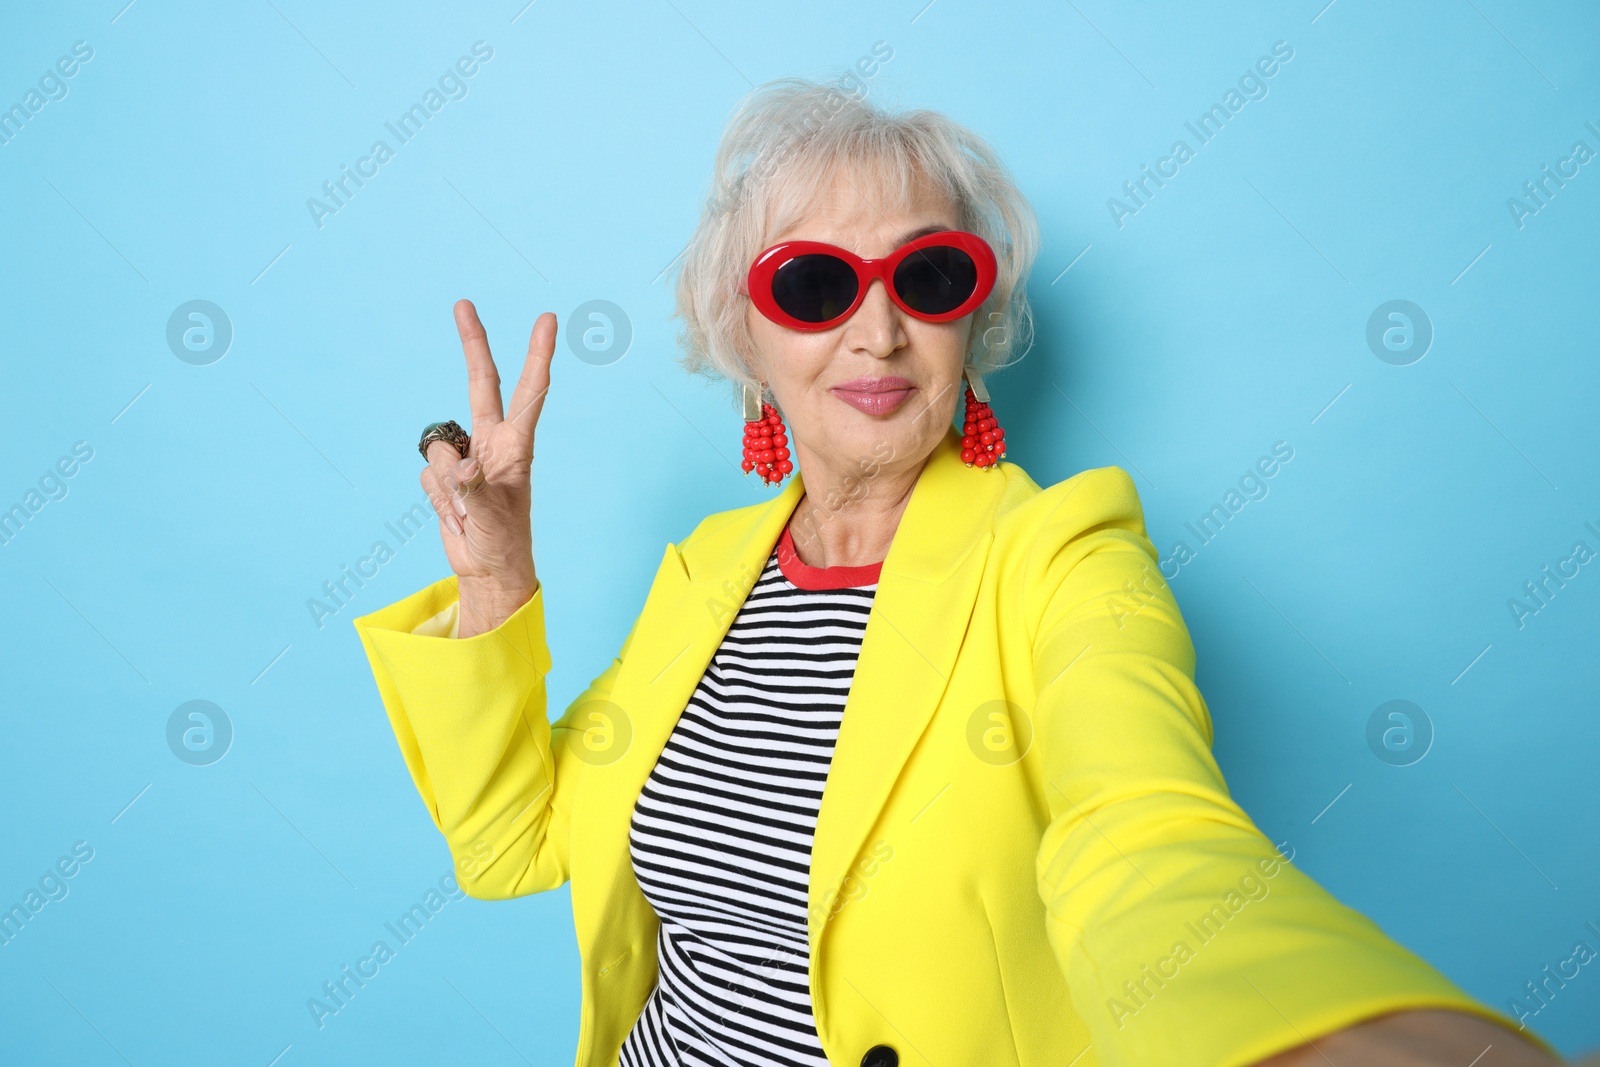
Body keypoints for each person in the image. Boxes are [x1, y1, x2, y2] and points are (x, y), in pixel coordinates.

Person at [353, 78, 1568, 1067]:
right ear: (747, 331)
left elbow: (1149, 836)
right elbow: (513, 844)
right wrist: (498, 582)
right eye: (816, 283)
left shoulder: (1064, 558)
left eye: (926, 277)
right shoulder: (708, 570)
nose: (877, 331)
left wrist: (1371, 1043)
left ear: (968, 317)